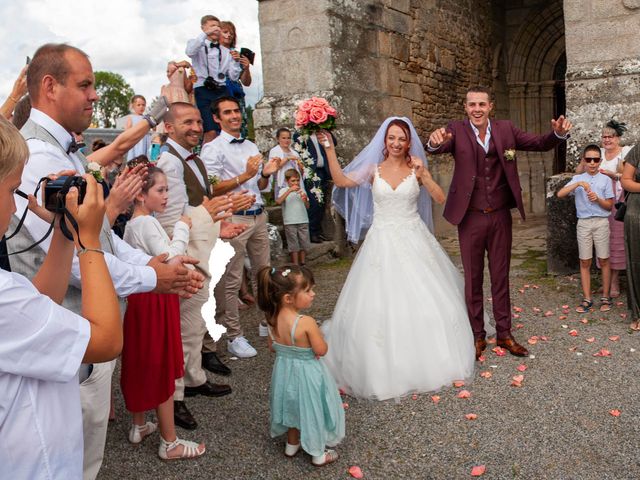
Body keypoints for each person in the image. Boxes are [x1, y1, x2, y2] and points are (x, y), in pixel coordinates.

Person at [9, 43, 204, 480]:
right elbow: (77, 258)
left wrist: (157, 261)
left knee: (85, 448)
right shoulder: (39, 157)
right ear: (49, 87)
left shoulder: (68, 152)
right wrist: (153, 279)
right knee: (71, 459)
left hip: (82, 331)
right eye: (85, 85)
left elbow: (100, 237)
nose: (95, 95)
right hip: (68, 336)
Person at [320, 117, 475, 400]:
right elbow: (341, 180)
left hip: (413, 237)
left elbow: (440, 199)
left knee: (425, 299)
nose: (396, 143)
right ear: (384, 140)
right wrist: (329, 148)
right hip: (381, 241)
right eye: (391, 138)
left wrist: (425, 175)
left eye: (401, 138)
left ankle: (427, 358)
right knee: (377, 303)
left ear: (408, 142)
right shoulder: (373, 169)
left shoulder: (415, 167)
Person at [0, 115, 121, 478]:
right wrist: (90, 240)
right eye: (11, 191)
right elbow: (106, 339)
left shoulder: (10, 296)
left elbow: (39, 302)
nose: (16, 205)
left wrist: (64, 233)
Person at [427, 85, 572, 360]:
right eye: (472, 105)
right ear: (465, 107)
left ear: (490, 106)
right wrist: (433, 142)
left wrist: (558, 134)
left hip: (500, 216)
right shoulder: (455, 130)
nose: (477, 109)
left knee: (500, 276)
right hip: (469, 216)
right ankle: (477, 335)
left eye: (482, 104)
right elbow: (437, 147)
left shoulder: (506, 129)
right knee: (472, 278)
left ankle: (504, 333)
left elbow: (539, 143)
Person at [156, 101, 251, 430]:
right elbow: (171, 218)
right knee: (182, 329)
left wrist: (220, 223)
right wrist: (212, 220)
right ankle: (176, 395)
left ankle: (194, 378)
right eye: (187, 122)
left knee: (195, 324)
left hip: (200, 242)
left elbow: (195, 204)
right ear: (168, 127)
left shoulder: (190, 158)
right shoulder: (168, 161)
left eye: (198, 121)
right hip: (184, 252)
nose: (196, 128)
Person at [122, 166, 205, 459]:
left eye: (167, 189)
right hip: (155, 299)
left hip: (139, 298)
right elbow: (172, 260)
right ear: (141, 196)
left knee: (140, 359)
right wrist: (182, 228)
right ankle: (170, 442)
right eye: (160, 190)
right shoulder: (145, 223)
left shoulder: (135, 225)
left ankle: (139, 424)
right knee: (162, 363)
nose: (167, 196)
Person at [201, 96, 282, 357]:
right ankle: (234, 335)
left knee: (264, 274)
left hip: (258, 216)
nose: (235, 116)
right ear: (217, 118)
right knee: (231, 279)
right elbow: (210, 187)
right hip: (233, 218)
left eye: (237, 111)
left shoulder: (250, 145)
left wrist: (266, 174)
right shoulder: (212, 149)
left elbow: (258, 186)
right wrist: (245, 175)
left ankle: (267, 323)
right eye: (228, 112)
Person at [256, 264, 345, 466]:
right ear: (288, 298)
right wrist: (320, 338)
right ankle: (318, 453)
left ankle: (291, 443)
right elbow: (321, 350)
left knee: (291, 405)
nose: (313, 294)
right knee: (312, 407)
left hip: (284, 371)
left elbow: (272, 347)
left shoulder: (271, 319)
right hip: (308, 373)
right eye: (307, 290)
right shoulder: (306, 322)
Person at [576, 120, 631, 297]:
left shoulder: (624, 153)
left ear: (618, 138)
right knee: (601, 242)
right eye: (604, 137)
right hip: (594, 202)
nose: (607, 140)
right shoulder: (596, 153)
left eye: (611, 137)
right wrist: (584, 161)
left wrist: (612, 175)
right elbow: (578, 173)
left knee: (615, 242)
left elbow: (629, 177)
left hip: (616, 200)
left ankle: (614, 283)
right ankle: (606, 282)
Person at [557, 145, 614, 312]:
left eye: (595, 159)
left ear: (600, 161)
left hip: (601, 222)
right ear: (584, 160)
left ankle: (606, 296)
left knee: (604, 259)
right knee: (585, 261)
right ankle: (587, 298)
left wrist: (597, 199)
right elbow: (560, 194)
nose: (592, 163)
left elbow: (609, 206)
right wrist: (577, 184)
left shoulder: (605, 180)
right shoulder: (578, 179)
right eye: (588, 159)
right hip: (583, 223)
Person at [186, 15, 243, 145]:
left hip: (221, 90)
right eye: (212, 26)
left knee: (227, 128)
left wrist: (235, 62)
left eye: (218, 26)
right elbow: (189, 52)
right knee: (210, 130)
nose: (215, 29)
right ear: (203, 28)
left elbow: (233, 77)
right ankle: (207, 162)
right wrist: (205, 35)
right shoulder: (195, 44)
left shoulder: (226, 51)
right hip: (203, 89)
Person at [292, 129, 333, 243]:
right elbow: (298, 145)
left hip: (324, 171)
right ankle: (312, 232)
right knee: (315, 202)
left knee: (322, 203)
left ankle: (318, 231)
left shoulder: (321, 133)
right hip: (311, 172)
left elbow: (333, 142)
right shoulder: (300, 134)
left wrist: (325, 131)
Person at [220, 20, 252, 139]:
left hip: (235, 93)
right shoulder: (212, 53)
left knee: (238, 123)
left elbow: (246, 82)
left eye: (231, 34)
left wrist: (246, 68)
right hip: (219, 89)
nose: (229, 35)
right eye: (225, 32)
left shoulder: (238, 54)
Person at [620, 145, 640, 330]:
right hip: (637, 210)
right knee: (637, 262)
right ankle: (638, 312)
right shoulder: (638, 149)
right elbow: (625, 180)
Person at [276, 169, 310, 265]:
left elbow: (308, 206)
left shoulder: (302, 190)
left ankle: (303, 262)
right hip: (290, 221)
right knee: (293, 244)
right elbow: (278, 201)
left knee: (304, 242)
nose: (296, 183)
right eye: (293, 181)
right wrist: (289, 190)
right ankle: (295, 264)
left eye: (297, 180)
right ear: (287, 181)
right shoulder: (283, 190)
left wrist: (305, 200)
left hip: (303, 219)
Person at [270, 127, 304, 194]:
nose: (286, 140)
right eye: (283, 138)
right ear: (278, 139)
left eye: (288, 138)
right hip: (283, 181)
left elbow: (300, 171)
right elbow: (274, 168)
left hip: (295, 181)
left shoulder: (294, 153)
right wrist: (288, 158)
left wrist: (300, 166)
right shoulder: (274, 151)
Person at [124, 95, 151, 161]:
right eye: (138, 105)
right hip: (135, 142)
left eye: (143, 105)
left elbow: (151, 129)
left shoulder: (146, 118)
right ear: (133, 106)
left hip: (145, 141)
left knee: (145, 159)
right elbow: (127, 132)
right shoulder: (131, 117)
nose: (141, 107)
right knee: (135, 159)